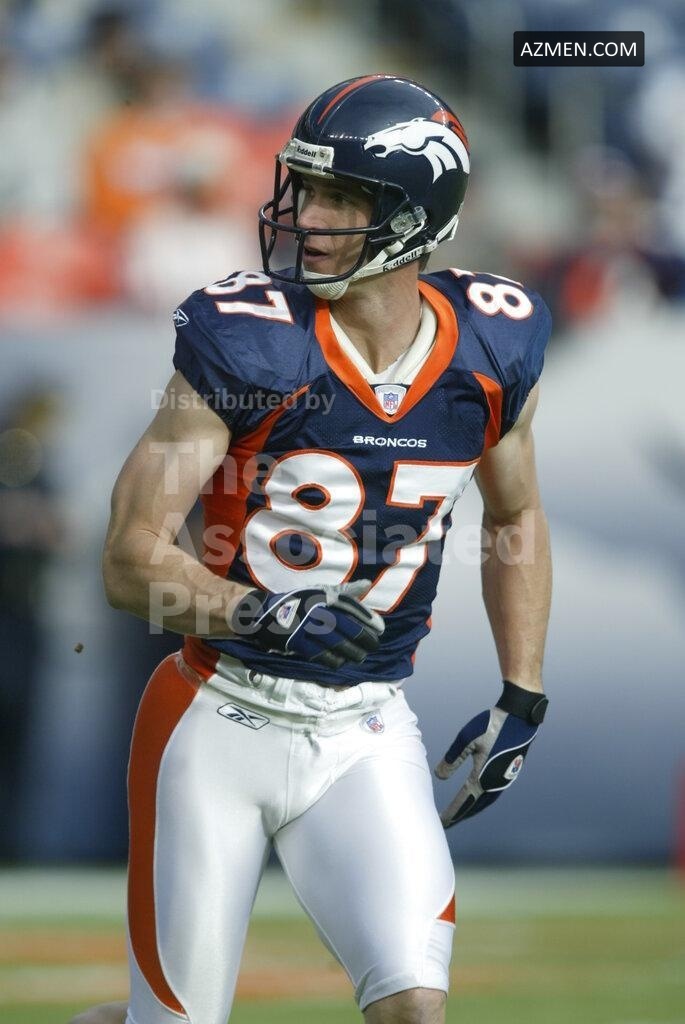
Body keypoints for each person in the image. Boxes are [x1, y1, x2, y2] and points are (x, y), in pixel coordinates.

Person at [71, 74, 552, 1024]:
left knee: (414, 1006)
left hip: (366, 728)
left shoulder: (493, 346)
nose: (308, 217)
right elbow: (128, 560)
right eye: (304, 188)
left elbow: (516, 517)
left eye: (341, 198)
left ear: (415, 216)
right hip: (218, 715)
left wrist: (522, 693)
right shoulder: (251, 339)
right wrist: (262, 610)